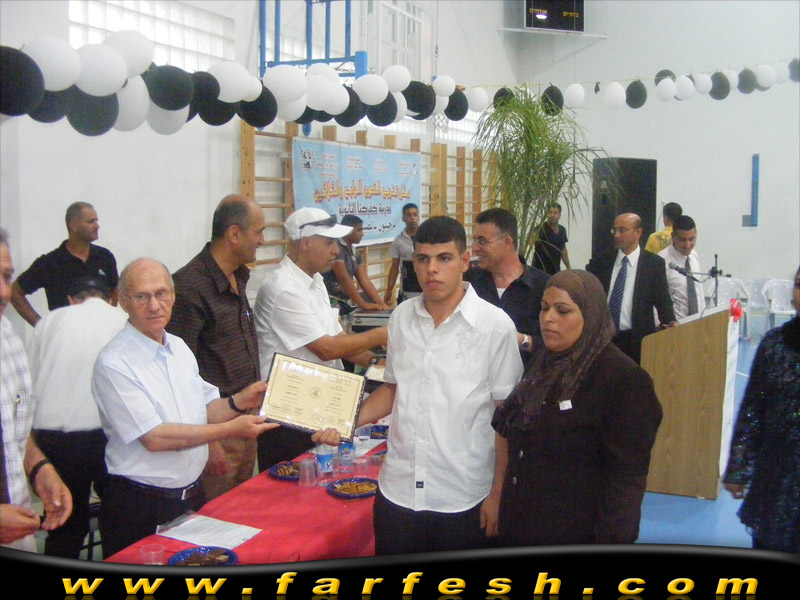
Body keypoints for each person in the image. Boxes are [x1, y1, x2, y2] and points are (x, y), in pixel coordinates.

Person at [316, 216, 523, 555]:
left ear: (465, 261)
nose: (432, 270)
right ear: (414, 262)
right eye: (423, 259)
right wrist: (345, 421)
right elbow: (393, 389)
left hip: (462, 496)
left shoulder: (495, 326)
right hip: (398, 491)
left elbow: (506, 418)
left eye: (444, 258)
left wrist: (498, 494)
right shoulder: (401, 317)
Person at [91, 258, 277, 558]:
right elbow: (155, 438)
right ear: (124, 302)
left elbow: (205, 410)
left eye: (161, 293)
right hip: (139, 505)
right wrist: (230, 429)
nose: (154, 305)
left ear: (173, 296)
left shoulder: (178, 347)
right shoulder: (114, 362)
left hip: (189, 498)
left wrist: (240, 401)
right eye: (142, 296)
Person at [492, 269, 663, 546]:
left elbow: (626, 481)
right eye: (544, 308)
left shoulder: (623, 379)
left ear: (590, 315)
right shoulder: (543, 364)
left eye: (562, 311)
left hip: (576, 531)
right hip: (523, 524)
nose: (548, 318)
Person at [254, 208, 388, 470]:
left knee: (325, 478)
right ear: (306, 243)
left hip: (319, 404)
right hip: (289, 413)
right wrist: (384, 333)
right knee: (290, 484)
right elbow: (327, 349)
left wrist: (376, 362)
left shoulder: (315, 282)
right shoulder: (283, 288)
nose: (336, 251)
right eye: (329, 243)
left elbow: (340, 340)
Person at [168, 195, 265, 500]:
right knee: (214, 512)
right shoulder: (189, 287)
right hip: (216, 429)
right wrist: (208, 441)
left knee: (241, 507)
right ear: (234, 234)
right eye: (258, 232)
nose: (262, 241)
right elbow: (182, 374)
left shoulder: (238, 276)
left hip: (245, 419)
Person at [27, 275, 127, 558]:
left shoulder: (48, 321)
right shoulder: (122, 319)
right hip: (109, 435)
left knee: (64, 523)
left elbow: (31, 382)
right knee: (118, 519)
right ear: (110, 298)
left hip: (55, 439)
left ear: (71, 299)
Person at [1, 228, 73, 552]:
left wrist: (39, 469)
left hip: (17, 527)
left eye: (6, 277)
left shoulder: (7, 339)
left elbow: (12, 427)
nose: (3, 292)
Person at [723, 265, 800, 553]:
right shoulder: (775, 344)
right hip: (776, 477)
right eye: (799, 285)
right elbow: (753, 408)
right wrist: (739, 466)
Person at [586, 212, 676, 364]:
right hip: (604, 339)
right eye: (615, 230)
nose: (617, 235)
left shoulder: (653, 264)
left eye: (622, 230)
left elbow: (662, 300)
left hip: (636, 340)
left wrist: (671, 322)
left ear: (638, 233)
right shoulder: (602, 261)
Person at [11, 202, 119, 326]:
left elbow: (114, 290)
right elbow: (15, 292)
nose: (97, 226)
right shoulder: (50, 263)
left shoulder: (104, 257)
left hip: (100, 331)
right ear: (74, 225)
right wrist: (41, 326)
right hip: (65, 332)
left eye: (96, 221)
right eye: (91, 222)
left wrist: (108, 317)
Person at [464, 207, 550, 362]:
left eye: (482, 241)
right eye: (474, 241)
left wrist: (523, 341)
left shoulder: (544, 287)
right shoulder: (469, 284)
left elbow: (557, 344)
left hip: (525, 374)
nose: (475, 248)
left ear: (507, 243)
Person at [323, 214, 387, 311]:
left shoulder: (355, 253)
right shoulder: (336, 248)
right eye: (359, 230)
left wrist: (381, 304)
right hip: (329, 302)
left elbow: (364, 281)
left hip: (344, 301)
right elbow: (344, 279)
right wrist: (363, 304)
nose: (362, 234)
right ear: (348, 230)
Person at [658, 215, 705, 320]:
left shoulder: (694, 255)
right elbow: (654, 299)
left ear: (696, 234)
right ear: (673, 236)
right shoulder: (661, 261)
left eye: (691, 239)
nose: (688, 245)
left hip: (697, 322)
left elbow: (699, 291)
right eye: (682, 240)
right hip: (674, 324)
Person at [383, 203, 422, 306]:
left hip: (425, 287)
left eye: (415, 215)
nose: (412, 218)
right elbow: (394, 267)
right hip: (408, 288)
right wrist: (389, 290)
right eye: (409, 215)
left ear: (418, 217)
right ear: (403, 218)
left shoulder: (428, 237)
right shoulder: (398, 241)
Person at [532, 203, 571, 275]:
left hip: (555, 270)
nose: (552, 215)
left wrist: (568, 266)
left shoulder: (562, 230)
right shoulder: (540, 229)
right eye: (550, 212)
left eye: (555, 213)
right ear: (546, 214)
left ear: (559, 215)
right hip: (539, 270)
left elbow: (563, 250)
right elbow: (530, 242)